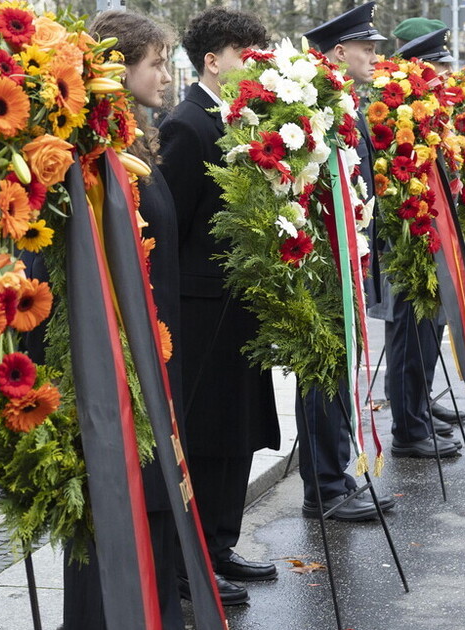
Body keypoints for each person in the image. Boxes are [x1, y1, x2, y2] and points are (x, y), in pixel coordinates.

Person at [64, 11, 185, 627]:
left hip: (159, 352)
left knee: (159, 508)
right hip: (125, 365)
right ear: (119, 66)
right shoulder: (91, 153)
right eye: (155, 63)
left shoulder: (138, 135)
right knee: (126, 506)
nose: (164, 75)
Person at [157, 7, 275, 606]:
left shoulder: (239, 117)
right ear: (213, 60)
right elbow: (168, 227)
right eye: (246, 55)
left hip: (238, 301)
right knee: (202, 435)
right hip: (200, 310)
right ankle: (189, 559)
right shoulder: (188, 125)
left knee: (236, 431)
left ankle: (221, 543)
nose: (256, 65)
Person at [298, 2, 406, 517]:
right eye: (366, 48)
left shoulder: (347, 105)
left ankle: (335, 477)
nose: (373, 56)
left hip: (349, 257)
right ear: (340, 51)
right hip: (323, 263)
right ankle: (323, 487)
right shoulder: (317, 109)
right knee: (324, 372)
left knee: (341, 369)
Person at [388, 19, 465, 428]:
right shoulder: (395, 102)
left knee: (430, 327)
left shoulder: (434, 106)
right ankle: (409, 420)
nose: (447, 76)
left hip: (432, 229)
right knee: (411, 332)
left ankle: (420, 401)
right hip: (410, 236)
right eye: (440, 68)